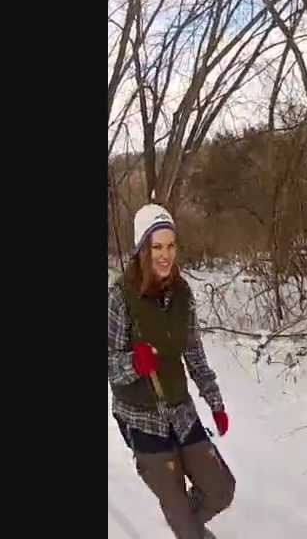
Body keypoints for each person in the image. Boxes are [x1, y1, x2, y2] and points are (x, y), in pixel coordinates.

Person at [108, 204, 235, 539]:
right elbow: (110, 367)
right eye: (156, 247)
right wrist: (134, 363)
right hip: (141, 418)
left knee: (221, 490)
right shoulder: (120, 298)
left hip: (180, 409)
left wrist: (216, 403)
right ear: (141, 249)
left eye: (170, 245)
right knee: (184, 523)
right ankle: (186, 527)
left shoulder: (183, 294)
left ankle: (184, 522)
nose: (165, 255)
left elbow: (193, 353)